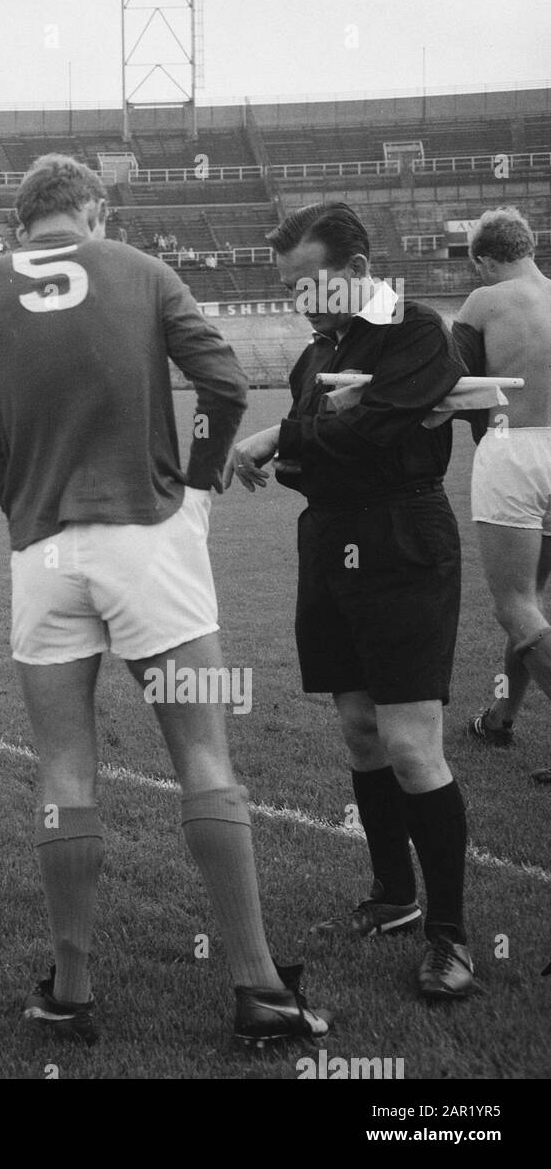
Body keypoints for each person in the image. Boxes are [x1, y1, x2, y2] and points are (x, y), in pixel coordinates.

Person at [0, 154, 330, 1047]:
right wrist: (194, 488)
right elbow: (228, 387)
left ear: (24, 219)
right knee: (202, 756)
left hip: (42, 554)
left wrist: (32, 509)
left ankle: (72, 993)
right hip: (149, 539)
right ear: (92, 210)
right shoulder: (140, 269)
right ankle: (259, 990)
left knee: (63, 770)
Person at [229, 201, 473, 999]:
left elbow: (376, 430)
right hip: (330, 540)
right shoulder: (315, 354)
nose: (300, 298)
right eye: (291, 285)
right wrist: (300, 446)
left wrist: (283, 438)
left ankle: (451, 936)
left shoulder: (415, 330)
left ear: (359, 271)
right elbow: (323, 458)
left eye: (310, 282)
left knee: (410, 742)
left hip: (403, 539)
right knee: (361, 730)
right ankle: (395, 895)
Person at [451, 208, 551, 785]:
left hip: (515, 450)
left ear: (486, 260)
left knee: (513, 604)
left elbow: (454, 383)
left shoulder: (483, 302)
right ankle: (499, 719)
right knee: (534, 603)